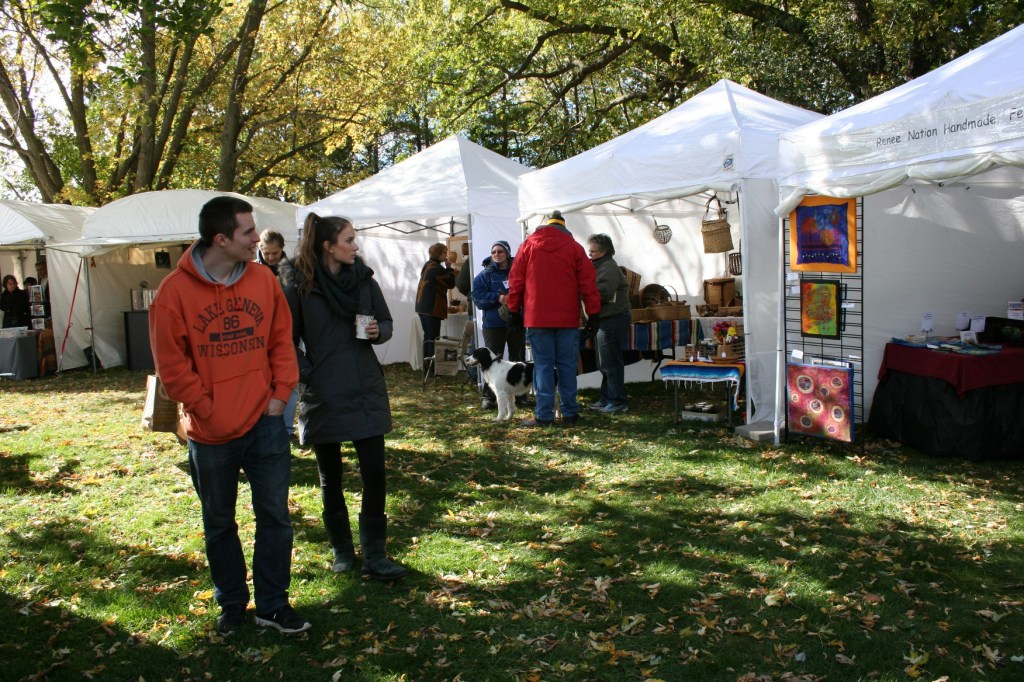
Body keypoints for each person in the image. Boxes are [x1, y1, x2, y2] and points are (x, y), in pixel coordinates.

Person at [148, 196, 309, 636]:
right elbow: (171, 365)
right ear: (221, 239)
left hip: (264, 422)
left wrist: (279, 396)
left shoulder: (262, 279)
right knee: (219, 522)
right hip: (209, 432)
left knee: (275, 516)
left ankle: (273, 605)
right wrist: (204, 407)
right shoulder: (173, 294)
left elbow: (282, 339)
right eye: (247, 232)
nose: (257, 238)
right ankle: (232, 604)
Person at [286, 213, 406, 581]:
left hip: (364, 385)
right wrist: (309, 374)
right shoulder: (298, 282)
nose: (356, 246)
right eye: (349, 240)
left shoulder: (363, 279)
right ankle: (341, 550)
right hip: (324, 391)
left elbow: (386, 324)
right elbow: (286, 340)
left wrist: (376, 331)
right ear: (328, 246)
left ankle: (375, 553)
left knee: (374, 474)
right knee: (330, 476)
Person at [506, 210, 600, 427]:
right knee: (567, 366)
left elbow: (516, 280)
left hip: (537, 316)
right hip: (567, 318)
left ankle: (544, 415)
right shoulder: (574, 248)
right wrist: (593, 313)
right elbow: (588, 283)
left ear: (545, 226)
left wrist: (513, 309)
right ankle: (569, 413)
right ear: (564, 227)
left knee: (543, 366)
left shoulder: (528, 245)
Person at [472, 240, 526, 409]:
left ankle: (521, 395)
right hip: (493, 324)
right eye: (493, 251)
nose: (496, 254)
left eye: (500, 251)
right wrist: (498, 298)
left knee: (518, 359)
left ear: (507, 253)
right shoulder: (484, 275)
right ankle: (489, 397)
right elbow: (477, 297)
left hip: (516, 322)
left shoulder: (518, 271)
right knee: (491, 361)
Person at [257, 229, 299, 439]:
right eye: (267, 253)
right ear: (260, 249)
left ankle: (286, 429)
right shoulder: (251, 271)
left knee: (289, 382)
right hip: (261, 335)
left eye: (275, 253)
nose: (271, 257)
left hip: (288, 332)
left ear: (282, 250)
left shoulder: (290, 269)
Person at [586, 234, 631, 414]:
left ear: (605, 251)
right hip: (605, 319)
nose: (589, 254)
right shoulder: (600, 266)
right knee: (604, 363)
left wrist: (584, 291)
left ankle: (618, 401)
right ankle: (606, 398)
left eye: (593, 251)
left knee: (611, 363)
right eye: (589, 250)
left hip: (612, 319)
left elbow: (603, 293)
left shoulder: (608, 268)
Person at [414, 242, 455, 375]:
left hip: (422, 307)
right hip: (431, 308)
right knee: (433, 338)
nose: (446, 255)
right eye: (444, 253)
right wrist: (449, 268)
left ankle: (427, 367)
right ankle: (432, 369)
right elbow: (450, 283)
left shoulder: (428, 265)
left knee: (428, 337)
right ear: (439, 254)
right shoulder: (436, 268)